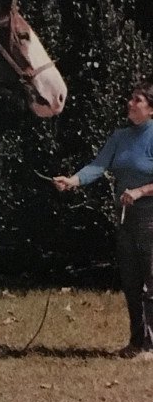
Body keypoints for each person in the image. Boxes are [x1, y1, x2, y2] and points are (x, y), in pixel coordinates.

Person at [54, 79, 153, 359]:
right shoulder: (120, 137)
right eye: (131, 99)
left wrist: (141, 191)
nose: (130, 104)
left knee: (151, 281)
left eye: (138, 100)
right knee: (132, 281)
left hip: (150, 218)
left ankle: (151, 345)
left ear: (151, 110)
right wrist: (72, 180)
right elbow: (99, 165)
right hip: (125, 217)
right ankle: (137, 342)